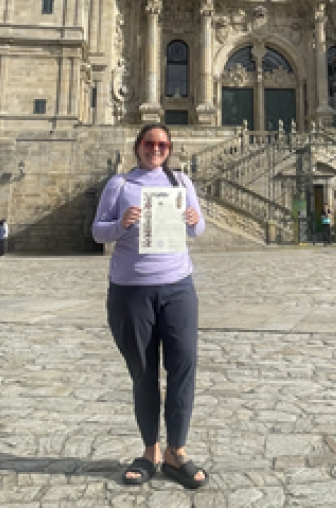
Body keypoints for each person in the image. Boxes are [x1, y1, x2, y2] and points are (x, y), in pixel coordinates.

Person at [92, 123, 208, 490]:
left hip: (177, 286)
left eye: (162, 144)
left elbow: (198, 229)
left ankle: (177, 450)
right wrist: (120, 224)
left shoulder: (181, 183)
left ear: (169, 148)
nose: (155, 149)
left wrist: (193, 221)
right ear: (137, 146)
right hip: (131, 290)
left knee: (183, 365)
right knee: (144, 372)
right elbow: (97, 230)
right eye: (149, 143)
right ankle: (150, 451)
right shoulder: (120, 185)